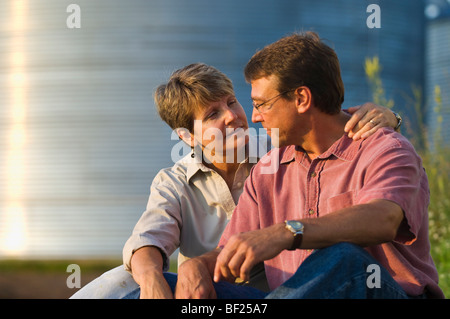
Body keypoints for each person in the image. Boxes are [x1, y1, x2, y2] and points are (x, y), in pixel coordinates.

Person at [70, 63, 401, 299]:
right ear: (187, 136)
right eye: (212, 114)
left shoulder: (280, 153)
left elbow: (323, 126)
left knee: (344, 260)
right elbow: (146, 241)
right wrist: (153, 281)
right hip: (217, 295)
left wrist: (387, 117)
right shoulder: (174, 182)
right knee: (122, 285)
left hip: (297, 288)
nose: (232, 116)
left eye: (231, 102)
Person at [173, 33, 445, 299]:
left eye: (262, 104)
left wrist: (286, 232)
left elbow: (383, 218)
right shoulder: (268, 169)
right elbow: (229, 256)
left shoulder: (385, 149)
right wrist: (197, 266)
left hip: (385, 291)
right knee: (151, 287)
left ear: (302, 98)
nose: (254, 117)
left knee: (345, 258)